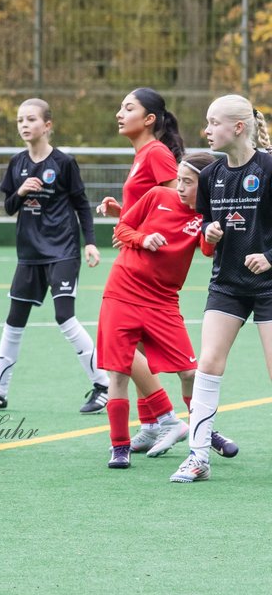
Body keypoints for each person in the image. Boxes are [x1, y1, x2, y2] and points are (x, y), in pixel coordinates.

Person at [100, 152, 223, 470]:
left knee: (191, 373)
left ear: (206, 186)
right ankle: (119, 446)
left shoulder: (205, 215)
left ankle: (204, 431)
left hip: (164, 302)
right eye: (178, 179)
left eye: (188, 182)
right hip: (122, 293)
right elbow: (122, 230)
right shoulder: (156, 195)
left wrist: (211, 235)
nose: (179, 187)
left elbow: (208, 250)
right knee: (118, 371)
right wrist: (143, 238)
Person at [172, 95, 272, 483]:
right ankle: (198, 457)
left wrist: (269, 257)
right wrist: (211, 232)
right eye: (208, 122)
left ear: (239, 128)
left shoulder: (267, 168)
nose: (207, 130)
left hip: (268, 286)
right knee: (208, 364)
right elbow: (210, 230)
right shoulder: (212, 175)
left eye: (214, 123)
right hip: (227, 284)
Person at [0, 98, 106, 414]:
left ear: (47, 125)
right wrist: (21, 191)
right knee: (14, 320)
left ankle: (102, 384)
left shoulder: (64, 163)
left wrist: (89, 242)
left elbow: (82, 204)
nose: (24, 125)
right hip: (29, 253)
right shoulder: (16, 164)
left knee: (64, 316)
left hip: (63, 250)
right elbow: (10, 207)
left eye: (31, 119)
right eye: (20, 120)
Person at [94, 87, 190, 454]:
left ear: (149, 119)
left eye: (128, 108)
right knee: (125, 348)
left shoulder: (157, 153)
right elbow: (153, 211)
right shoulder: (142, 154)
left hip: (144, 271)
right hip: (136, 261)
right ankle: (152, 424)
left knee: (119, 350)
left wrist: (141, 237)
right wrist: (124, 214)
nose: (120, 113)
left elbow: (175, 206)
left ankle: (167, 418)